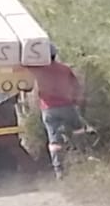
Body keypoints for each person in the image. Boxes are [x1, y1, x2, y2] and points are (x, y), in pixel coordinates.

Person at [30, 44, 84, 179]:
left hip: (48, 110)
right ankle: (82, 155)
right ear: (55, 54)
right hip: (67, 106)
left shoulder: (38, 71)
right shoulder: (64, 69)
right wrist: (77, 100)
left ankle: (59, 170)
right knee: (78, 129)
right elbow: (76, 86)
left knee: (54, 140)